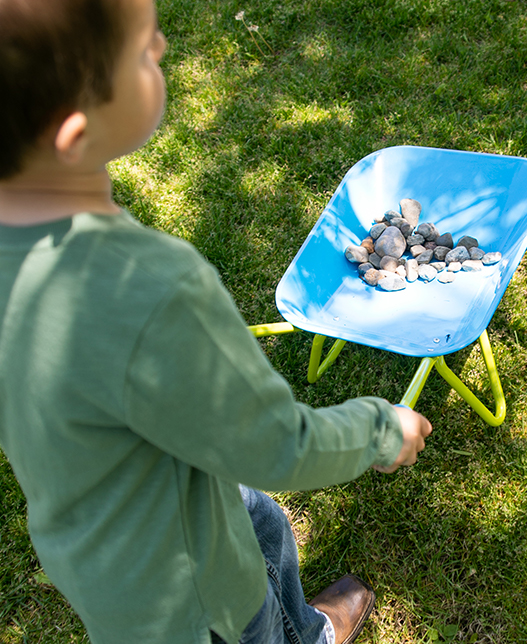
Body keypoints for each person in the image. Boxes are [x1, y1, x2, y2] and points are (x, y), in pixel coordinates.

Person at [0, 1, 433, 643]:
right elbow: (278, 446)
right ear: (76, 134)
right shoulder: (149, 288)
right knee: (251, 615)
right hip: (190, 602)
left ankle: (304, 627)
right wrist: (379, 429)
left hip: (99, 541)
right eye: (145, 51)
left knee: (262, 522)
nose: (166, 46)